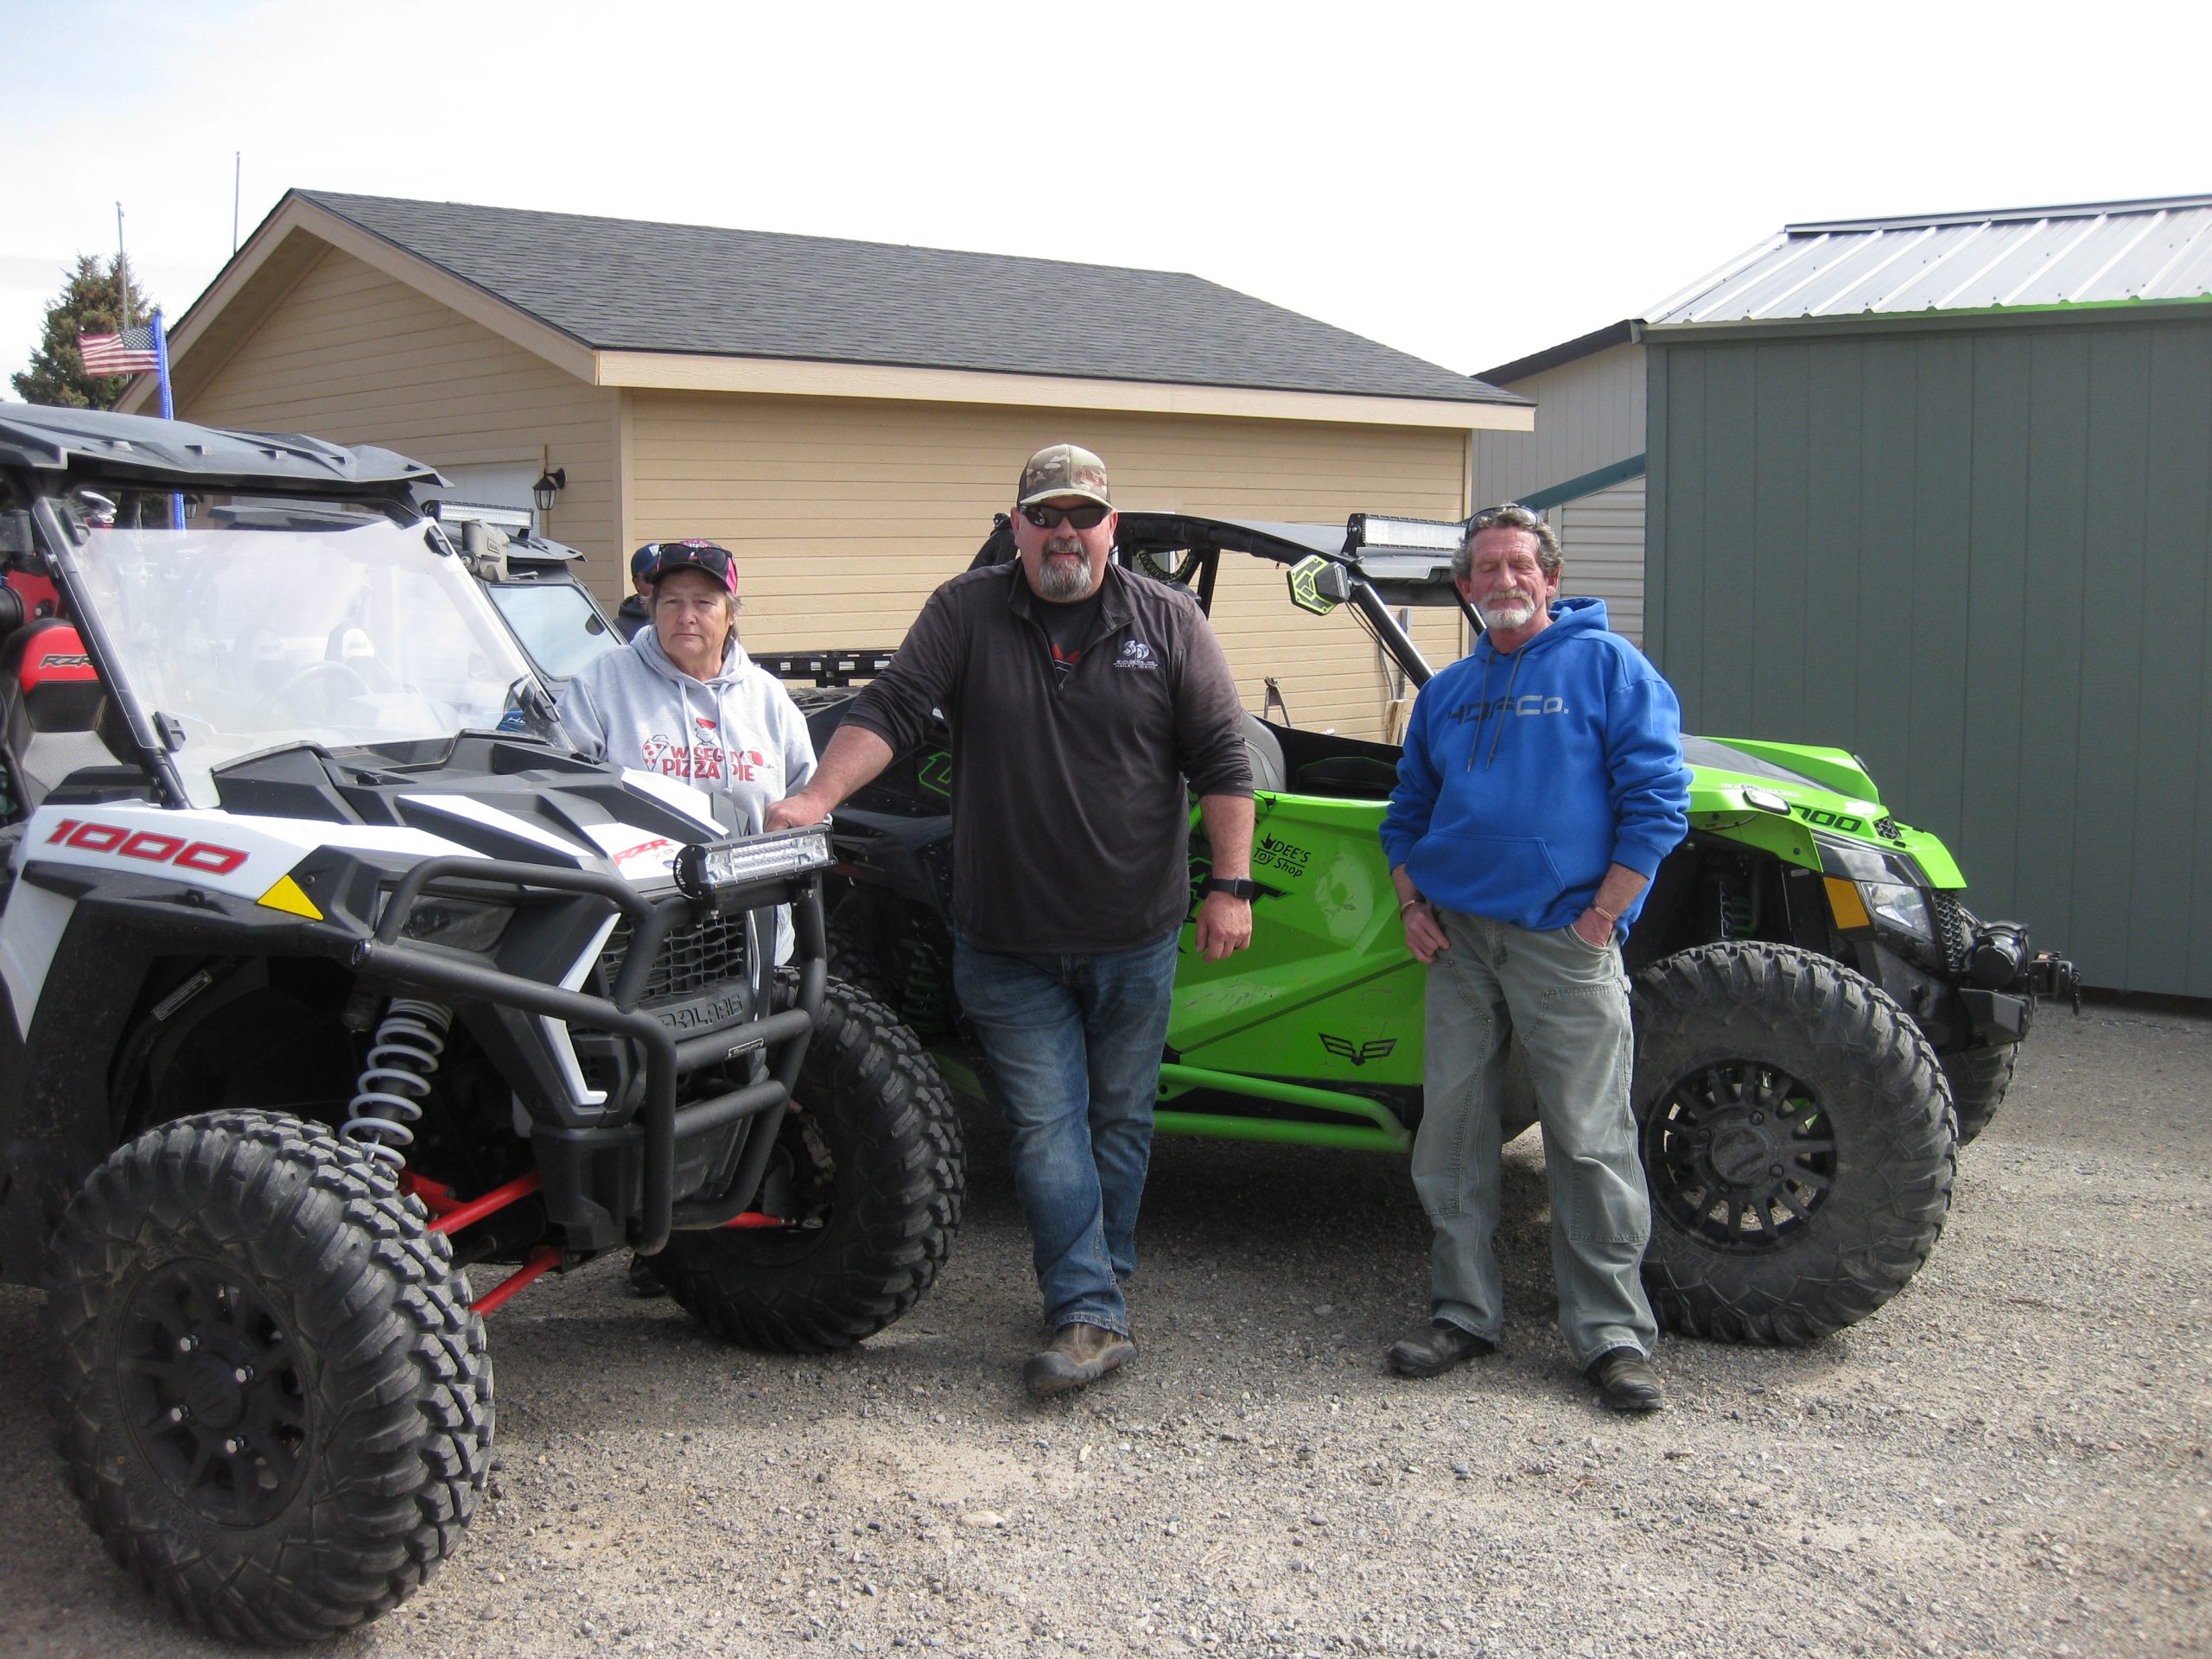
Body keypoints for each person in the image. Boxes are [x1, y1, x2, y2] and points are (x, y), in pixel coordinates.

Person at [765, 443, 1256, 1396]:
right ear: (1019, 526)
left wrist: (1230, 886)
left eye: (1083, 516)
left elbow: (1221, 757)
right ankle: (1086, 1307)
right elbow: (893, 707)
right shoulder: (965, 610)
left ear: (1112, 527)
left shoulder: (1170, 620)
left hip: (1135, 934)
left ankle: (1099, 1273)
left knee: (1121, 1116)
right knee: (1043, 1125)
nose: (1064, 533)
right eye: (1045, 516)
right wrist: (816, 797)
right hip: (1005, 936)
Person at [1378, 503, 1690, 1413]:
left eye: (1520, 565)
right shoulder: (1447, 692)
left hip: (1564, 941)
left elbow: (1658, 804)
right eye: (1486, 568)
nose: (1504, 580)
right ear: (1465, 587)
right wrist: (1410, 903)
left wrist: (1601, 918)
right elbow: (1407, 812)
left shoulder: (1608, 667)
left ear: (1550, 579)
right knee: (1452, 1134)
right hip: (1459, 941)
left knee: (1588, 1140)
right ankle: (1463, 1314)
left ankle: (1611, 1336)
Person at [613, 544, 658, 640]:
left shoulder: (683, 617)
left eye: (666, 575)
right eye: (653, 576)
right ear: (637, 583)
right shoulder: (620, 630)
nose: (661, 582)